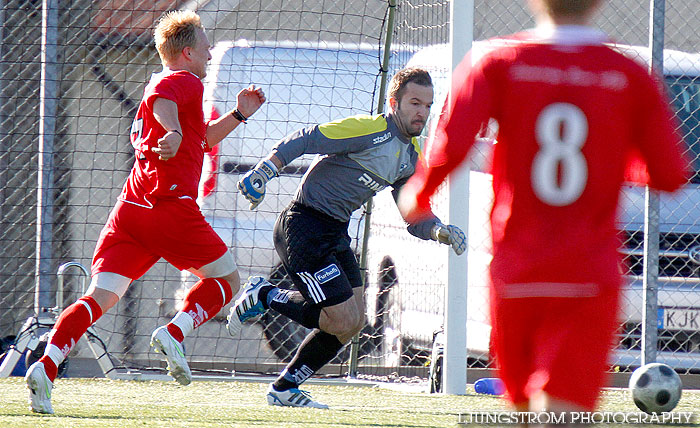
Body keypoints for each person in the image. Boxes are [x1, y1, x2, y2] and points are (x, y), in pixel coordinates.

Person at [397, 0, 690, 420]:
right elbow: (670, 174)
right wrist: (610, 153)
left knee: (526, 412)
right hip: (589, 274)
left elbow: (452, 141)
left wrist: (419, 193)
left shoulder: (497, 62)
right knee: (562, 412)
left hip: (518, 270)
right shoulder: (627, 75)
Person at [24, 10, 266, 414]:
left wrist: (239, 114)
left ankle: (46, 366)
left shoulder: (174, 83)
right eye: (205, 44)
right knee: (227, 281)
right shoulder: (180, 80)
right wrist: (171, 131)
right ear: (187, 51)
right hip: (169, 208)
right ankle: (175, 331)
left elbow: (202, 139)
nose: (209, 51)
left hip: (131, 211)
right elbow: (163, 102)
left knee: (99, 297)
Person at [227, 67, 466, 408]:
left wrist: (440, 230)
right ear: (394, 102)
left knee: (351, 323)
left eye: (427, 106)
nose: (422, 113)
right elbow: (307, 137)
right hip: (303, 226)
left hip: (335, 232)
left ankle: (284, 388)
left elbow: (414, 217)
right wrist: (265, 170)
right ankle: (265, 296)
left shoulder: (410, 158)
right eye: (415, 103)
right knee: (339, 318)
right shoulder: (371, 130)